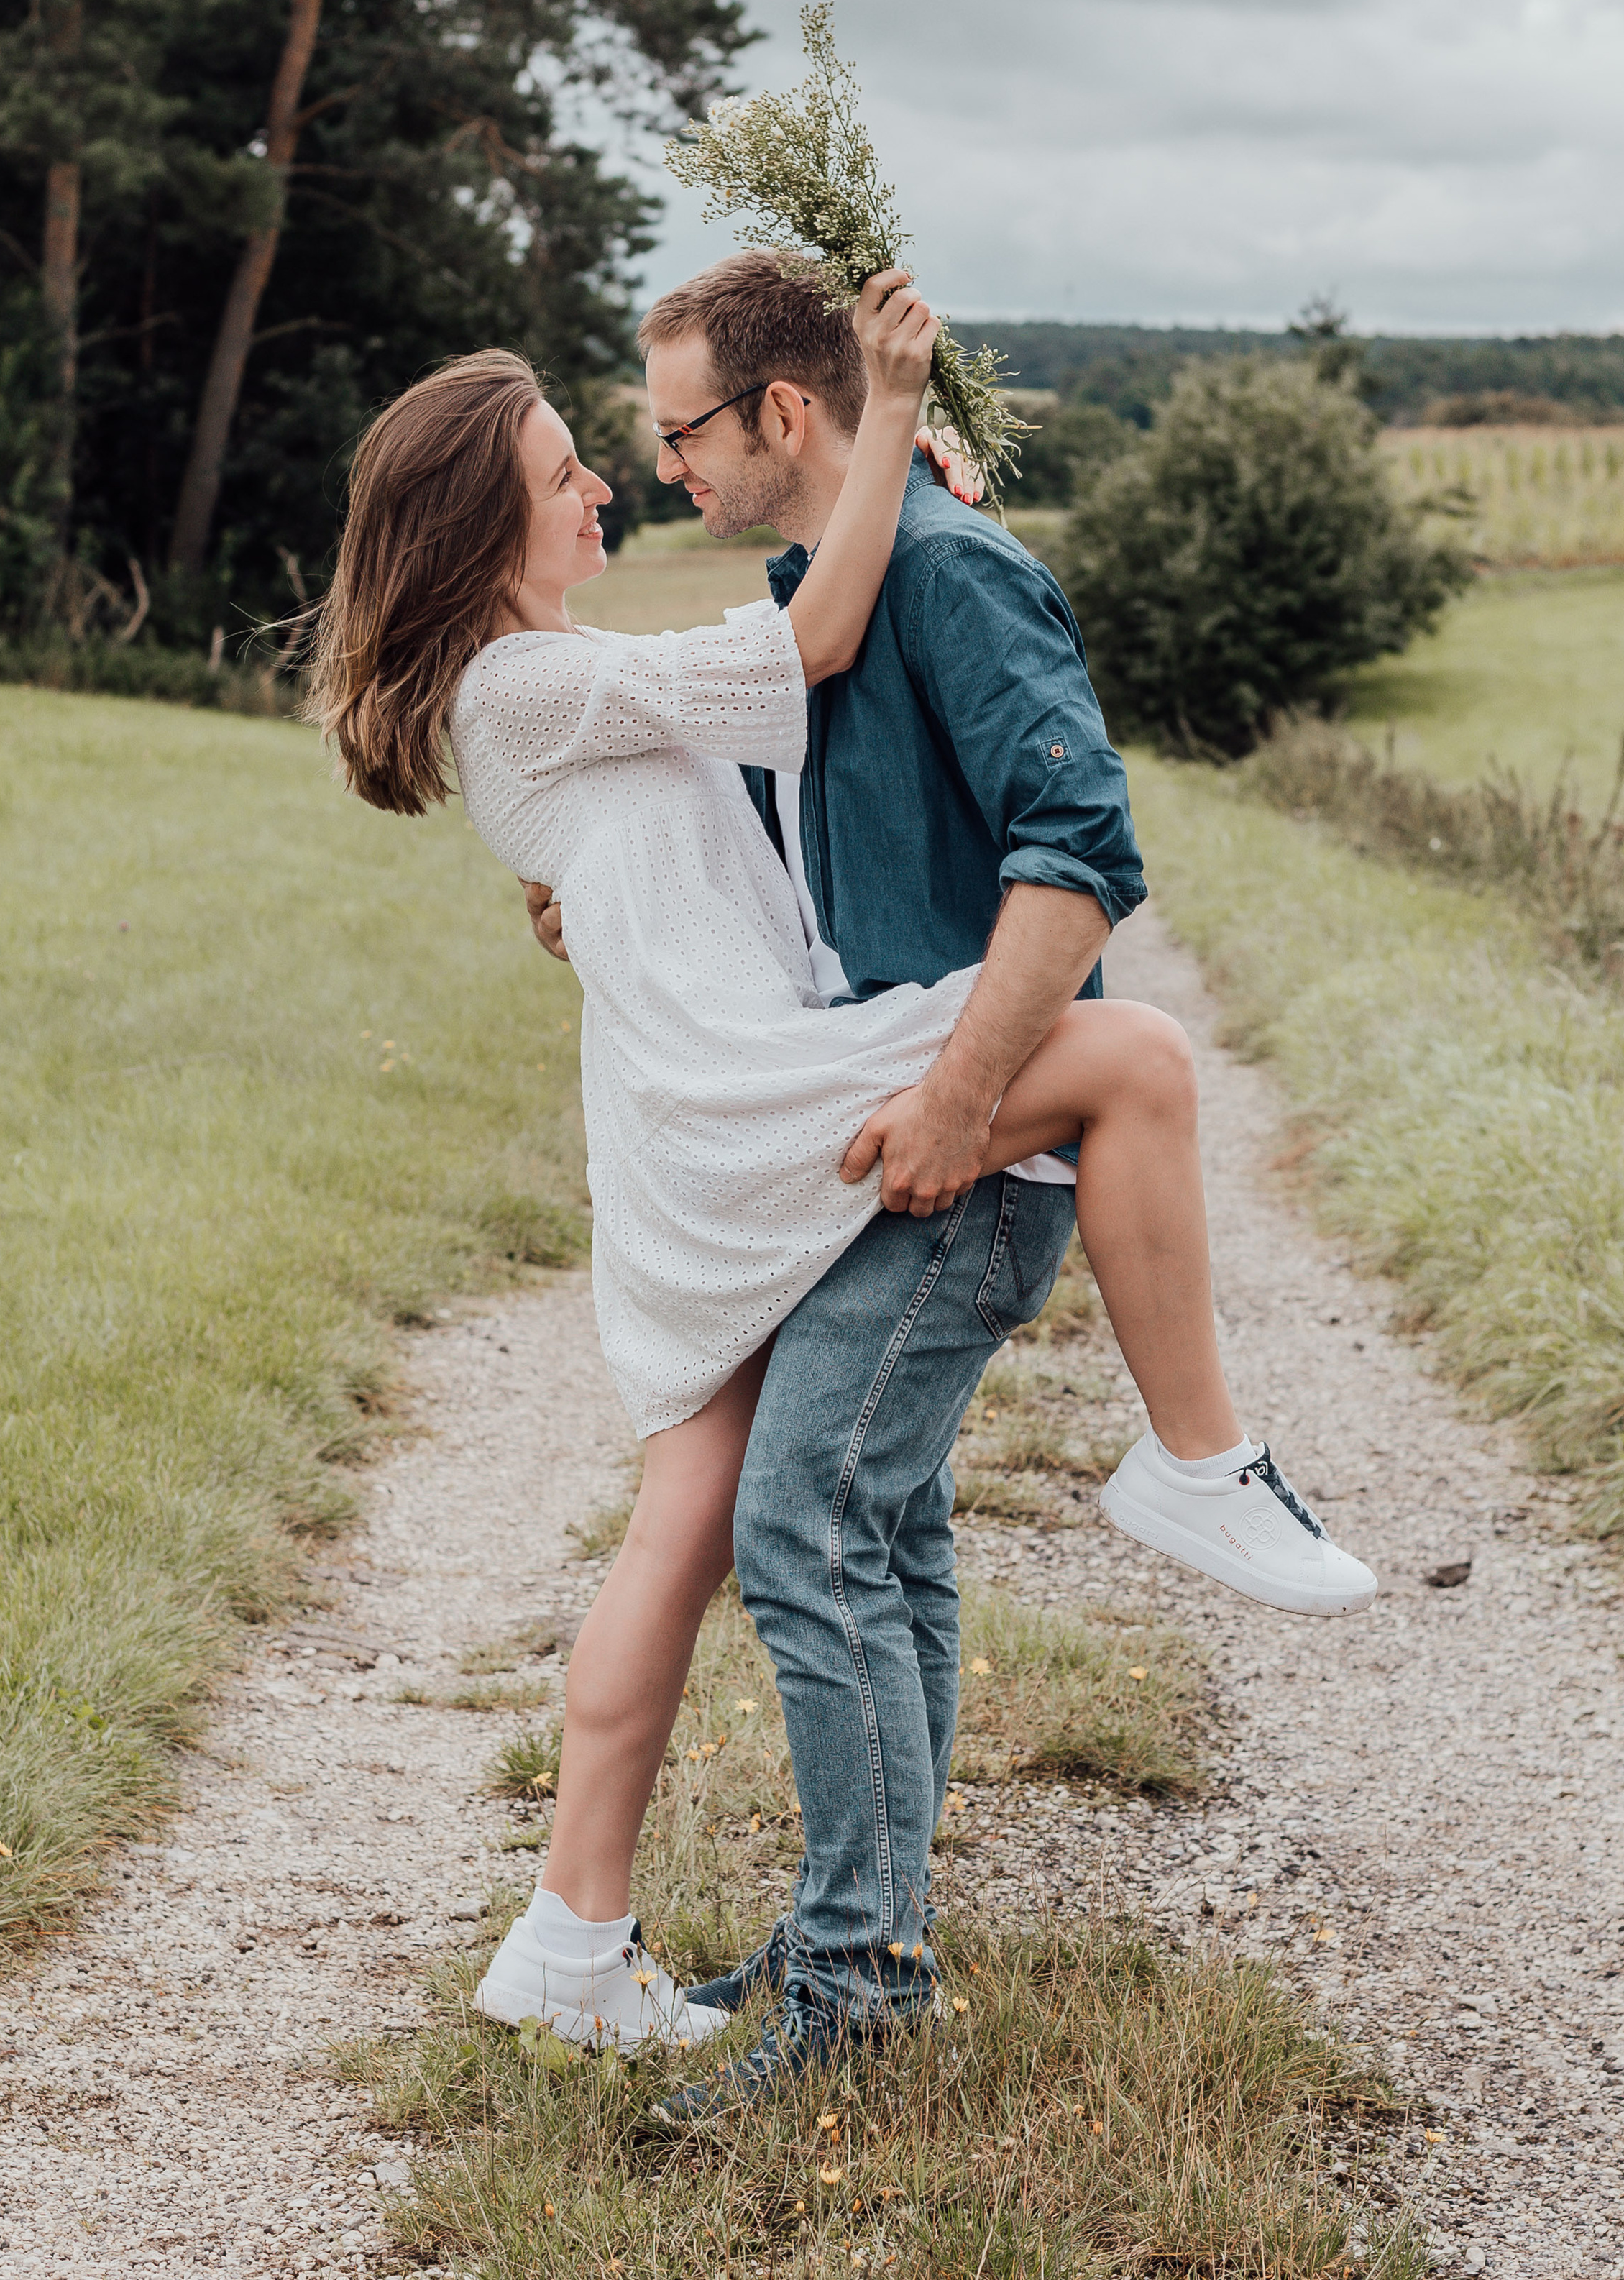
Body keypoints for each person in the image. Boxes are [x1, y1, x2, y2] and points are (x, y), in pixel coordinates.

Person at [514, 249, 1375, 2112]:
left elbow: (1079, 858)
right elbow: (803, 839)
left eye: (682, 427)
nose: (665, 461)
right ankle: (867, 1939)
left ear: (787, 413)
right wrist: (596, 877)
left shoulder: (957, 576)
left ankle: (854, 1981)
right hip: (873, 1130)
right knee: (874, 1526)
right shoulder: (825, 584)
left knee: (808, 1525)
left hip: (951, 1146)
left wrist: (958, 1107)